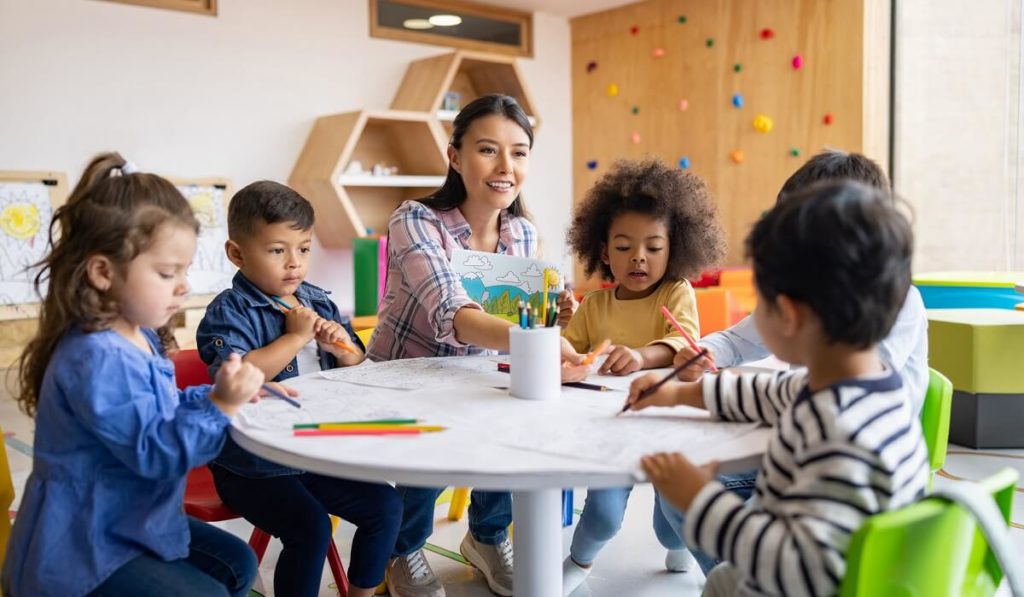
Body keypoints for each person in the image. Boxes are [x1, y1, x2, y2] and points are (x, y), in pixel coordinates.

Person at [629, 180, 929, 596]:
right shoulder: (867, 388)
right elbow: (770, 395)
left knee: (721, 575)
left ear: (786, 314)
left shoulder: (838, 434)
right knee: (719, 580)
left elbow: (794, 567)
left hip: (805, 582)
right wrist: (675, 394)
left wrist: (701, 501)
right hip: (849, 566)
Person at [3, 152, 263, 597]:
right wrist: (221, 406)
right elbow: (155, 451)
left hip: (127, 518)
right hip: (82, 542)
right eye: (167, 273)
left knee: (236, 563)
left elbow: (158, 408)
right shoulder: (96, 355)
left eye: (184, 271)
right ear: (104, 272)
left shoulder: (136, 335)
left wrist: (213, 393)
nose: (183, 286)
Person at [369, 94, 584, 597]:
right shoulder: (415, 220)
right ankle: (403, 548)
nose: (506, 167)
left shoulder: (524, 233)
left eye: (520, 152)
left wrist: (552, 320)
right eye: (488, 150)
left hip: (477, 378)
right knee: (430, 440)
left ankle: (486, 537)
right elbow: (455, 315)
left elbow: (515, 322)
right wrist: (540, 340)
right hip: (405, 380)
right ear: (455, 157)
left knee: (515, 418)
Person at [196, 181, 402, 597]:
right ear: (237, 253)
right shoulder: (228, 311)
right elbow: (238, 376)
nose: (294, 263)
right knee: (310, 527)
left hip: (317, 452)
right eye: (277, 250)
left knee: (387, 506)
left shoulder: (318, 302)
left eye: (304, 249)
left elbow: (357, 363)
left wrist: (339, 349)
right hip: (252, 465)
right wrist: (292, 340)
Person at [560, 159, 727, 595]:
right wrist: (561, 338)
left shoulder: (676, 292)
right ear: (602, 252)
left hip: (666, 425)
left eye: (654, 247)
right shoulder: (594, 305)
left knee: (671, 526)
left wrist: (640, 355)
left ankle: (679, 550)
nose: (639, 257)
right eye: (624, 246)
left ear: (675, 250)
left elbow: (682, 343)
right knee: (601, 515)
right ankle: (577, 561)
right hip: (611, 427)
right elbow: (570, 353)